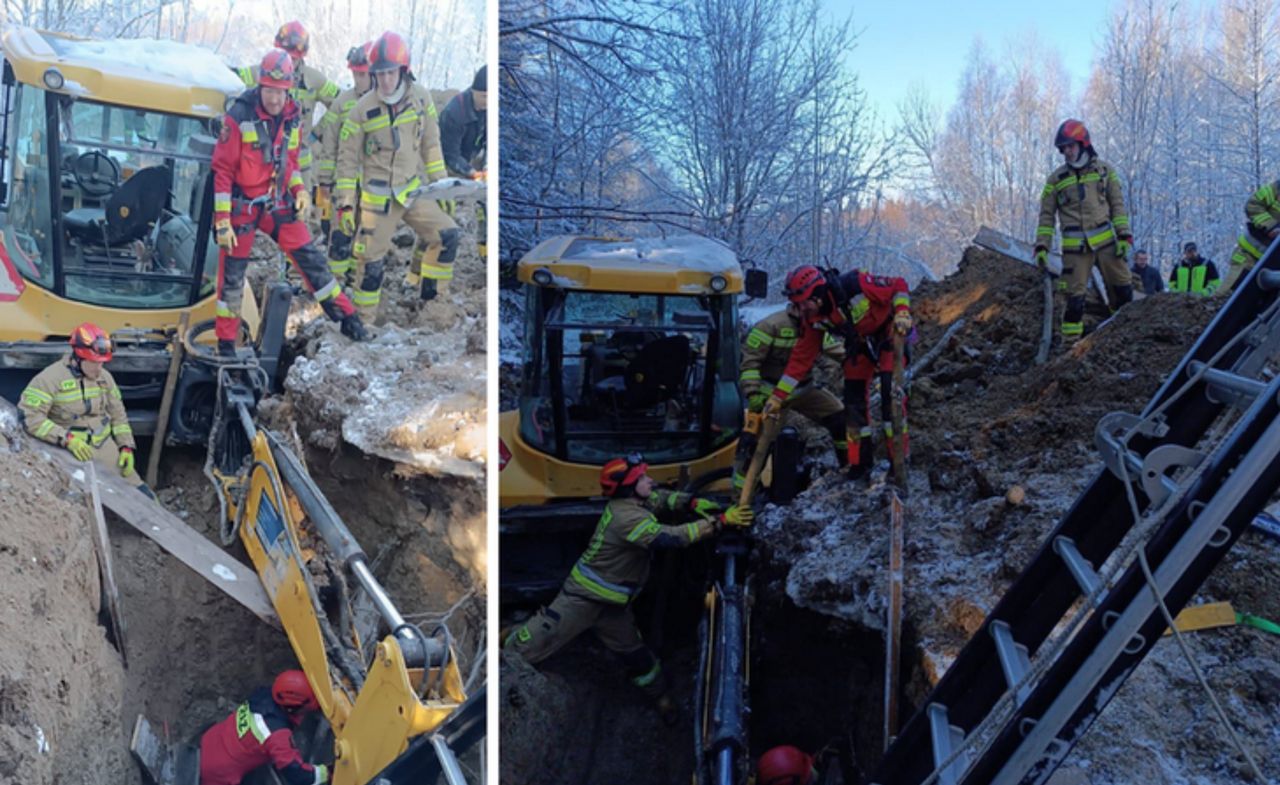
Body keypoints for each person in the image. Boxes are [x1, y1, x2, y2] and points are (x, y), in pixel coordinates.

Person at [504, 454, 752, 720]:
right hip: (582, 600)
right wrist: (719, 522)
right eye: (643, 478)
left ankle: (662, 699)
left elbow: (663, 498)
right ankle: (503, 647)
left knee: (637, 657)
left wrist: (690, 501)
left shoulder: (637, 501)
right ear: (629, 488)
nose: (650, 480)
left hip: (614, 607)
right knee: (529, 647)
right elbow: (671, 538)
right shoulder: (626, 518)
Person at [212, 49, 368, 357]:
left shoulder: (292, 116)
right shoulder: (239, 116)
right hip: (242, 205)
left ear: (288, 90)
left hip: (276, 201)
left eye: (279, 92)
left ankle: (347, 317)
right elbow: (223, 170)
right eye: (269, 90)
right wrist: (222, 220)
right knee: (231, 276)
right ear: (260, 87)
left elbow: (291, 162)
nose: (273, 99)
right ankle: (226, 345)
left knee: (311, 259)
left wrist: (299, 191)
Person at [335, 31, 459, 314]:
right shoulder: (361, 110)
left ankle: (431, 306)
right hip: (377, 201)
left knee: (448, 235)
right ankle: (363, 322)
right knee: (370, 262)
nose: (386, 81)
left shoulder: (421, 99)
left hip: (412, 191)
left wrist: (441, 185)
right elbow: (347, 160)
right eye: (380, 74)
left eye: (391, 73)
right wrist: (345, 203)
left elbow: (431, 144)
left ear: (403, 71)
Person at [768, 265, 912, 484]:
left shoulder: (855, 284)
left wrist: (902, 311)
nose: (800, 309)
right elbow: (800, 359)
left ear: (817, 295)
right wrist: (778, 396)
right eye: (796, 304)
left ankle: (899, 462)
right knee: (853, 403)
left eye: (803, 302)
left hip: (889, 334)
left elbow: (898, 285)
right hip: (860, 344)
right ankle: (859, 465)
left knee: (889, 398)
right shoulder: (812, 318)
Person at [18, 323, 154, 497]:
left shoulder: (104, 378)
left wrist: (126, 446)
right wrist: (66, 439)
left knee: (144, 496)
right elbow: (30, 417)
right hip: (68, 454)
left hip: (106, 450)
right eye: (94, 363)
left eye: (102, 363)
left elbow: (118, 415)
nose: (99, 369)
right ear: (78, 358)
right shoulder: (49, 379)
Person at [1033, 119, 1134, 342]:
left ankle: (1122, 339)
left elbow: (1117, 206)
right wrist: (1042, 245)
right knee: (1073, 300)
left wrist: (1124, 235)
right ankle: (1071, 348)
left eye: (1070, 146)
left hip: (1108, 246)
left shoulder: (1105, 172)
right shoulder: (1056, 180)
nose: (1067, 152)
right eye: (1063, 148)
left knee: (1123, 291)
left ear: (1083, 143)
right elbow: (1046, 216)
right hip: (1075, 251)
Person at [733, 302, 847, 490]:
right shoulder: (769, 326)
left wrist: (865, 363)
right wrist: (753, 393)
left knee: (840, 417)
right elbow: (749, 365)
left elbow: (836, 352)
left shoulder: (815, 326)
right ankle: (741, 498)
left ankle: (847, 466)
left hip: (804, 389)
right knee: (758, 446)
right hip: (770, 395)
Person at [236, 21, 340, 195]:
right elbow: (231, 82)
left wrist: (317, 133)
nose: (289, 60)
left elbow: (342, 103)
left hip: (301, 166)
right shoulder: (261, 71)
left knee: (300, 213)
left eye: (294, 56)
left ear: (302, 55)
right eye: (285, 54)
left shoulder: (314, 79)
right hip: (265, 161)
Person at [199, 670, 329, 785]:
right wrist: (326, 773)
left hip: (209, 742)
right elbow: (297, 775)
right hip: (218, 773)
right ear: (293, 708)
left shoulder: (264, 696)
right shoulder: (276, 735)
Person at [314, 42, 374, 279]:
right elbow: (330, 144)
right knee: (340, 232)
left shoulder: (387, 103)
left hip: (373, 181)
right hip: (346, 181)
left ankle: (355, 275)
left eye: (363, 75)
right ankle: (336, 280)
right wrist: (325, 183)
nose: (359, 80)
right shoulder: (343, 102)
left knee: (366, 232)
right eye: (355, 74)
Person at [437, 65, 488, 259]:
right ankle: (416, 273)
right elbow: (449, 154)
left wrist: (486, 165)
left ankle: (486, 253)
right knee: (440, 211)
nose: (488, 102)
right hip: (447, 165)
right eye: (484, 97)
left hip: (474, 158)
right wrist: (471, 173)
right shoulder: (454, 112)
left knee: (487, 205)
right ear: (473, 91)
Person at [1226, 179, 1280, 290]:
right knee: (1229, 298)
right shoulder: (1277, 188)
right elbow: (1253, 204)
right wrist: (1272, 226)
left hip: (1275, 268)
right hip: (1249, 257)